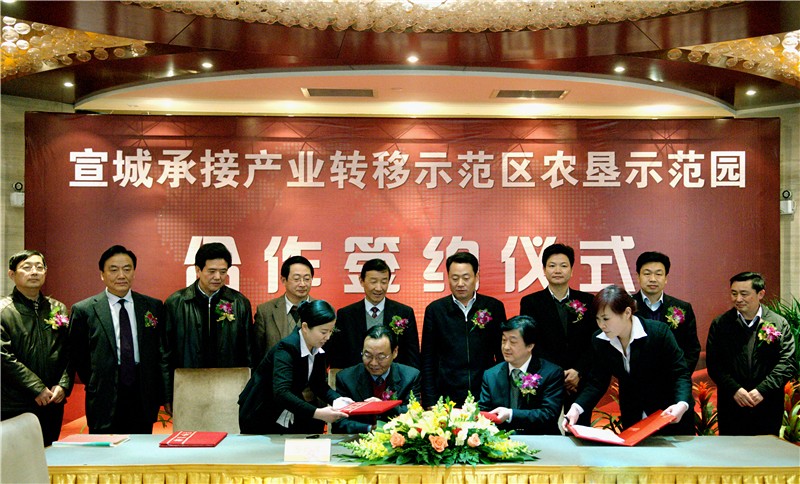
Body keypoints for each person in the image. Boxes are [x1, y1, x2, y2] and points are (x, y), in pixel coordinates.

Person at [564, 285, 692, 435]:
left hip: (669, 413)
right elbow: (597, 382)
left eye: (606, 319)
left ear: (627, 312)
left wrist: (681, 404)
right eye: (598, 319)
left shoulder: (658, 333)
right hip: (633, 415)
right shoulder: (600, 340)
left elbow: (680, 373)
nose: (601, 325)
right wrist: (576, 408)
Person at [69, 245, 169, 434]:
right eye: (113, 270)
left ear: (134, 272)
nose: (121, 275)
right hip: (104, 394)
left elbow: (160, 352)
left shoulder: (152, 306)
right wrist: (98, 378)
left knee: (140, 447)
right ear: (102, 274)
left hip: (141, 393)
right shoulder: (84, 310)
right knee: (104, 448)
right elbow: (78, 355)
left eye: (127, 269)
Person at [238, 300, 351, 434]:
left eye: (331, 331)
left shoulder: (317, 346)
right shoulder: (286, 348)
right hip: (260, 413)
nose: (327, 337)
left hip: (287, 411)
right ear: (305, 327)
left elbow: (318, 384)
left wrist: (338, 400)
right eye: (323, 332)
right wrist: (318, 413)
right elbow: (281, 392)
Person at [706, 272, 797, 436]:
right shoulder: (721, 324)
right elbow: (714, 364)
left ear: (760, 294)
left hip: (767, 403)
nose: (738, 299)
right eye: (734, 293)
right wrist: (735, 389)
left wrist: (762, 390)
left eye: (744, 294)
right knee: (732, 449)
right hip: (732, 404)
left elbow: (787, 362)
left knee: (766, 449)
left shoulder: (778, 323)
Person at [1, 250, 71, 446]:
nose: (34, 272)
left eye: (39, 267)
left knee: (49, 455)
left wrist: (63, 385)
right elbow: (3, 357)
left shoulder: (57, 308)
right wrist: (36, 388)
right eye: (26, 267)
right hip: (15, 403)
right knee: (18, 458)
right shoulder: (3, 311)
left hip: (52, 401)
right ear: (12, 274)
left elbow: (69, 352)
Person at [519, 243, 594, 424]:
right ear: (544, 270)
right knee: (545, 429)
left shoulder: (588, 301)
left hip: (579, 381)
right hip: (545, 380)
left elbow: (594, 341)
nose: (558, 270)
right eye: (552, 266)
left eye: (563, 265)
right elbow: (531, 342)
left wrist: (578, 371)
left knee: (578, 430)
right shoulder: (530, 302)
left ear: (572, 271)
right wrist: (558, 374)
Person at [421, 251, 506, 408]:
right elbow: (428, 359)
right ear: (448, 278)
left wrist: (502, 395)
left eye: (466, 278)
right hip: (446, 397)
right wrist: (430, 401)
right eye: (455, 278)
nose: (460, 283)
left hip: (486, 394)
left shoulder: (493, 307)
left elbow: (502, 355)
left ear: (476, 277)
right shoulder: (435, 310)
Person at [165, 242, 251, 370]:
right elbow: (165, 353)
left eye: (223, 272)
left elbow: (249, 352)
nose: (218, 277)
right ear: (198, 270)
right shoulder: (176, 303)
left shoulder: (239, 303)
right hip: (188, 378)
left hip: (228, 379)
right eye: (212, 271)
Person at [327, 258, 419, 371]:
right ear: (361, 281)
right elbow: (337, 357)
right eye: (373, 282)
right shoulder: (345, 315)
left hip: (395, 379)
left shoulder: (404, 313)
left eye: (384, 282)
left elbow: (412, 357)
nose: (379, 288)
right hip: (356, 378)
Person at [479, 315, 564, 435]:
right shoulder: (491, 375)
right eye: (504, 340)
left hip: (540, 438)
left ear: (530, 346)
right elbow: (484, 412)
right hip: (502, 440)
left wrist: (511, 414)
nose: (506, 347)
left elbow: (549, 414)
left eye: (513, 342)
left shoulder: (551, 373)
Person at [333, 325, 422, 433]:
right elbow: (339, 422)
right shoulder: (346, 378)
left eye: (381, 357)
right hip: (358, 439)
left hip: (396, 438)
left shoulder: (410, 376)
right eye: (368, 355)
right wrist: (370, 429)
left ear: (395, 352)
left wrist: (384, 406)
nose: (373, 363)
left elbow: (414, 415)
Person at [632, 251, 701, 372]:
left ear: (666, 278)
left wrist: (679, 375)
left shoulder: (683, 308)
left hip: (673, 379)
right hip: (634, 379)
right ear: (638, 277)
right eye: (647, 274)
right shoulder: (625, 307)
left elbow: (692, 349)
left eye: (658, 274)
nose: (653, 279)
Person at [251, 255, 313, 365]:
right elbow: (257, 353)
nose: (302, 284)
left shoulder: (324, 309)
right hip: (275, 373)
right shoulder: (266, 311)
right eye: (296, 279)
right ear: (284, 280)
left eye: (307, 279)